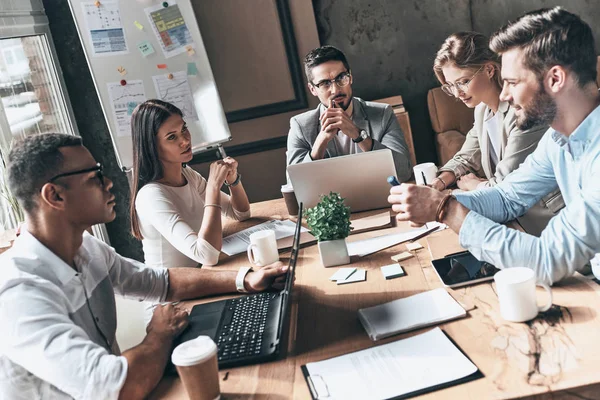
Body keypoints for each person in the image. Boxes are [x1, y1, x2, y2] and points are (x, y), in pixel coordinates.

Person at [0, 133, 287, 399]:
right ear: (55, 196)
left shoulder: (87, 247)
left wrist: (245, 279)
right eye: (95, 176)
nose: (109, 182)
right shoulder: (19, 294)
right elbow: (119, 387)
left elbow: (161, 282)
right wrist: (159, 334)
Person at [389, 7, 600, 286]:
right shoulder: (557, 139)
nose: (504, 94)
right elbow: (506, 197)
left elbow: (547, 260)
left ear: (555, 79)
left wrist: (446, 210)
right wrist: (436, 201)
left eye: (512, 82)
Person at [431, 31, 563, 236]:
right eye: (450, 86)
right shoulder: (482, 110)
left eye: (463, 81)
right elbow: (466, 156)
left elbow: (505, 186)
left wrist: (473, 184)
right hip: (509, 217)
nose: (457, 94)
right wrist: (439, 182)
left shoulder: (523, 112)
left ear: (490, 70)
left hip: (543, 221)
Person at [130, 99, 251, 269]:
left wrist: (233, 180)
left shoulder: (187, 174)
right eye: (172, 137)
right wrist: (213, 188)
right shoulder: (151, 196)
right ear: (152, 147)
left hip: (202, 274)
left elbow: (240, 214)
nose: (185, 140)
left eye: (184, 129)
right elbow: (206, 255)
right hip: (173, 291)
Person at [286, 45, 412, 182]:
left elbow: (403, 172)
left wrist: (358, 135)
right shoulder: (300, 126)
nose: (335, 90)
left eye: (341, 78)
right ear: (312, 89)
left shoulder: (383, 114)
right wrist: (321, 142)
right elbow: (293, 186)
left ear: (350, 77)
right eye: (324, 83)